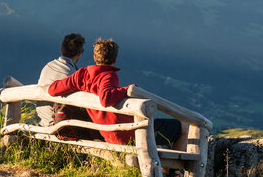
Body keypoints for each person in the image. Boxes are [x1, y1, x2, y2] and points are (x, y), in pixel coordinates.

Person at [47, 38, 181, 147]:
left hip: (107, 131)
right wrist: (128, 89)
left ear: (95, 57)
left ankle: (171, 174)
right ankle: (175, 175)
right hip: (125, 132)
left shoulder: (81, 74)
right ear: (115, 59)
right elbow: (106, 98)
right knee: (185, 127)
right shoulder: (108, 75)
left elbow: (52, 89)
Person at [36, 33, 86, 126]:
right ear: (79, 53)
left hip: (43, 119)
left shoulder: (47, 66)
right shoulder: (72, 76)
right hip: (58, 124)